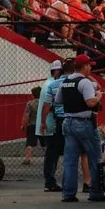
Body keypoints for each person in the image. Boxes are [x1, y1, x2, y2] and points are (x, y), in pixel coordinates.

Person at [56, 56, 105, 204]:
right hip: (84, 122)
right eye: (89, 66)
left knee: (70, 160)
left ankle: (68, 193)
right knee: (95, 158)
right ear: (85, 66)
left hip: (68, 122)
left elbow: (58, 100)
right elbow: (91, 102)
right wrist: (98, 96)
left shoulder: (65, 82)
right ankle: (96, 191)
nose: (90, 68)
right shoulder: (84, 82)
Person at [34, 59, 65, 191]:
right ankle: (50, 181)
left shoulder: (48, 83)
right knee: (52, 154)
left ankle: (50, 180)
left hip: (47, 123)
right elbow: (50, 105)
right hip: (51, 123)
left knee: (52, 153)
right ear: (57, 71)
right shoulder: (52, 84)